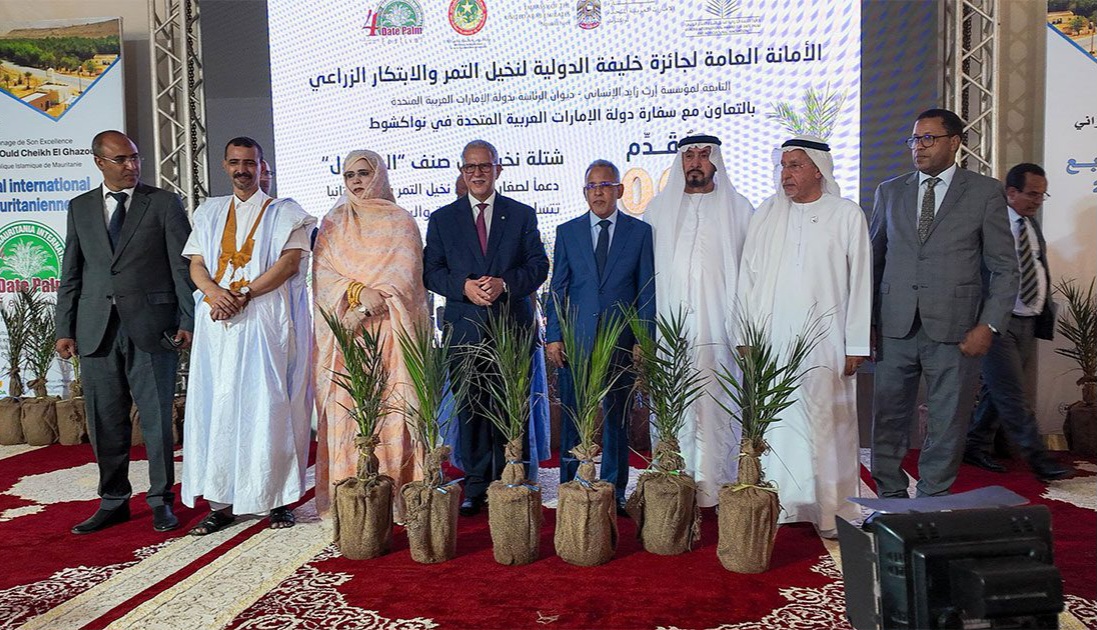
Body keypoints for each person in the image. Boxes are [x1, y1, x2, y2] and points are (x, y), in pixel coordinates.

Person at [870, 108, 1018, 498]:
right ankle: (890, 500)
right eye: (914, 139)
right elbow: (874, 260)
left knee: (947, 421)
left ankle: (931, 503)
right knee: (887, 417)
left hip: (957, 329)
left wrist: (989, 324)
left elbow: (1005, 268)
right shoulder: (890, 191)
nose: (918, 147)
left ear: (954, 142)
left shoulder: (984, 192)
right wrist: (865, 323)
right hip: (895, 325)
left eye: (928, 139)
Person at [56, 130, 194, 534]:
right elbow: (71, 272)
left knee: (156, 420)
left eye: (135, 157)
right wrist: (65, 327)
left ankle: (161, 501)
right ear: (99, 162)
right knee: (105, 420)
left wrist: (187, 321)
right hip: (95, 329)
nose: (132, 165)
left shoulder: (164, 203)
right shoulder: (80, 207)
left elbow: (182, 268)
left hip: (153, 328)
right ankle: (113, 500)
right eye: (121, 159)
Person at [181, 136, 316, 533]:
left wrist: (243, 295)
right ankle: (220, 503)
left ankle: (277, 500)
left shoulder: (286, 213)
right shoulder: (209, 212)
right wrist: (214, 293)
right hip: (218, 327)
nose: (242, 169)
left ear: (261, 167)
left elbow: (289, 265)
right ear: (225, 165)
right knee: (217, 407)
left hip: (265, 324)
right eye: (235, 162)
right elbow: (197, 264)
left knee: (269, 407)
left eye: (250, 163)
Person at [738, 136, 871, 537]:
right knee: (778, 424)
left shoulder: (846, 214)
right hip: (773, 341)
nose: (786, 174)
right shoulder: (765, 215)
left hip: (826, 342)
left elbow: (861, 282)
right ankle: (783, 505)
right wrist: (745, 334)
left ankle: (832, 511)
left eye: (795, 165)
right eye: (782, 166)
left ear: (818, 169)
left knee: (828, 425)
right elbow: (748, 279)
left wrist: (856, 344)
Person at [423, 139, 549, 516]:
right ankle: (477, 485)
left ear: (498, 169)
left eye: (484, 166)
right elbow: (431, 272)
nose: (477, 173)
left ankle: (512, 478)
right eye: (470, 167)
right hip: (465, 331)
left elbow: (538, 266)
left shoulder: (521, 214)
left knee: (511, 409)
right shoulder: (443, 219)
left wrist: (504, 284)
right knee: (471, 410)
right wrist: (463, 286)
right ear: (462, 171)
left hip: (511, 331)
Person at [313, 150, 430, 516]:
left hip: (392, 336)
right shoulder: (333, 223)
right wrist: (356, 292)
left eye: (363, 173)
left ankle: (394, 495)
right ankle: (353, 500)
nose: (356, 181)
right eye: (349, 175)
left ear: (378, 175)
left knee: (392, 411)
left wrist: (364, 307)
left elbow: (405, 278)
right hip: (348, 339)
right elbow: (323, 276)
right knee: (350, 414)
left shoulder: (401, 221)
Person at [644, 134, 753, 507]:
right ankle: (673, 480)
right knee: (674, 404)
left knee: (717, 401)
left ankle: (717, 483)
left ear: (715, 161)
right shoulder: (657, 210)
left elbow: (751, 274)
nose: (695, 162)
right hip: (670, 329)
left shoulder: (740, 209)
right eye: (688, 155)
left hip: (721, 328)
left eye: (703, 155)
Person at [546, 159, 654, 514]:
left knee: (616, 420)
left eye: (605, 185)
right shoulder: (568, 232)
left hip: (620, 342)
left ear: (619, 190)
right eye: (592, 187)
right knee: (574, 418)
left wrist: (642, 339)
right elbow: (558, 289)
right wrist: (554, 335)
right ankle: (570, 486)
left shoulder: (639, 233)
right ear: (584, 192)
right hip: (575, 343)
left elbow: (646, 291)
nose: (598, 193)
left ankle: (614, 490)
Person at [964, 163, 1071, 481]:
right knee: (1012, 392)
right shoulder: (991, 224)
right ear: (1011, 192)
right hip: (997, 322)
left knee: (999, 389)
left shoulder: (1029, 224)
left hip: (1028, 320)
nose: (1038, 201)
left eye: (1042, 195)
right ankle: (1039, 459)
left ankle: (975, 444)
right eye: (1032, 194)